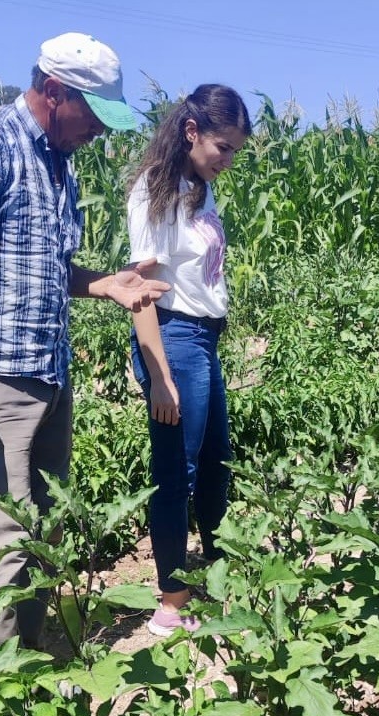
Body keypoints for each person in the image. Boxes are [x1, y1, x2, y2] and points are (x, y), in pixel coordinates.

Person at [0, 32, 170, 650]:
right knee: (3, 531)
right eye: (93, 115)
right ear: (54, 92)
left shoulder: (59, 163)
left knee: (43, 527)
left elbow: (43, 267)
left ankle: (30, 658)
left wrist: (106, 283)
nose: (100, 131)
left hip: (48, 371)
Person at [126, 84, 252, 636]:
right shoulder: (157, 190)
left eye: (235, 152)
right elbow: (142, 290)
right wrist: (158, 375)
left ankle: (217, 576)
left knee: (216, 462)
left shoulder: (200, 189)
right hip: (174, 338)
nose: (227, 160)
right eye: (222, 147)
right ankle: (171, 604)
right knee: (178, 470)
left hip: (204, 339)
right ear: (192, 131)